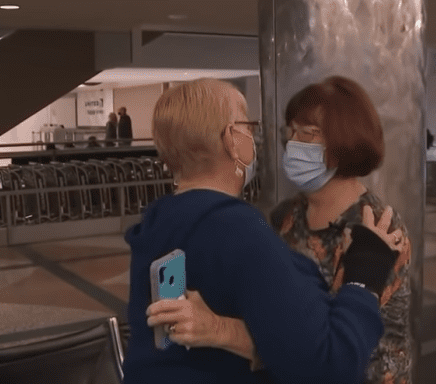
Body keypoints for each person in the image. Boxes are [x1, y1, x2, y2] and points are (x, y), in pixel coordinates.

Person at [124, 78, 405, 384]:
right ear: (233, 140)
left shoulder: (161, 220)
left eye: (308, 134)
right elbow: (319, 358)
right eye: (248, 126)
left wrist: (225, 331)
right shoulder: (255, 226)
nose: (291, 144)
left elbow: (371, 354)